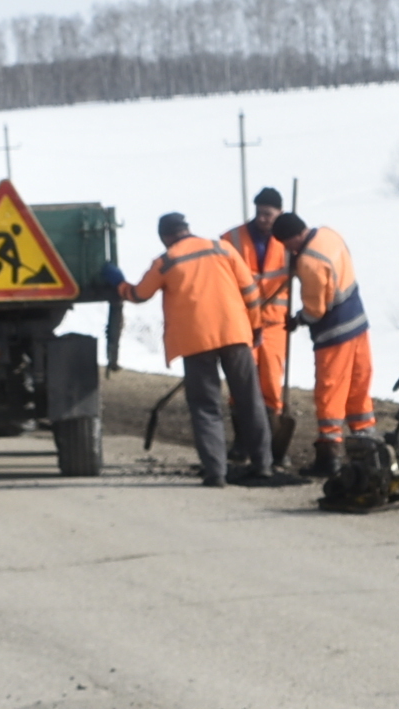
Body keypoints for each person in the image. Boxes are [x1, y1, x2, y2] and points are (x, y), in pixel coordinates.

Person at [101, 214, 275, 488]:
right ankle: (264, 465)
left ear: (165, 236)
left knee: (206, 407)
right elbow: (250, 291)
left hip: (195, 342)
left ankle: (216, 473)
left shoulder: (167, 261)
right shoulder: (222, 248)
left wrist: (117, 282)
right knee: (249, 400)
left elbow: (139, 295)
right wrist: (255, 328)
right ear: (187, 229)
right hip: (235, 333)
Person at [274, 212, 371, 476]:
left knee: (330, 391)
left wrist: (298, 320)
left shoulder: (309, 262)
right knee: (358, 384)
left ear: (293, 238)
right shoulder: (329, 234)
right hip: (358, 322)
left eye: (286, 244)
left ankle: (329, 454)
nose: (287, 250)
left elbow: (316, 309)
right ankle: (367, 444)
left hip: (334, 332)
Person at [222, 187, 298, 471]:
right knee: (240, 382)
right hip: (241, 321)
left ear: (279, 213)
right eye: (260, 212)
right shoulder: (232, 238)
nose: (263, 218)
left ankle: (271, 446)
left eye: (269, 213)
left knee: (271, 385)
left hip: (276, 324)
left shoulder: (289, 241)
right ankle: (242, 443)